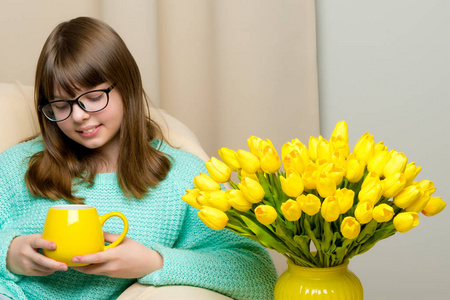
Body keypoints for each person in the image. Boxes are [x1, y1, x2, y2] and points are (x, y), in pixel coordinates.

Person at [0, 17, 277, 300]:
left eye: (94, 96)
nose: (80, 115)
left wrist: (155, 262)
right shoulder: (17, 167)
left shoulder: (183, 177)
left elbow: (258, 273)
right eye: (61, 105)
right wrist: (7, 254)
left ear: (127, 87)